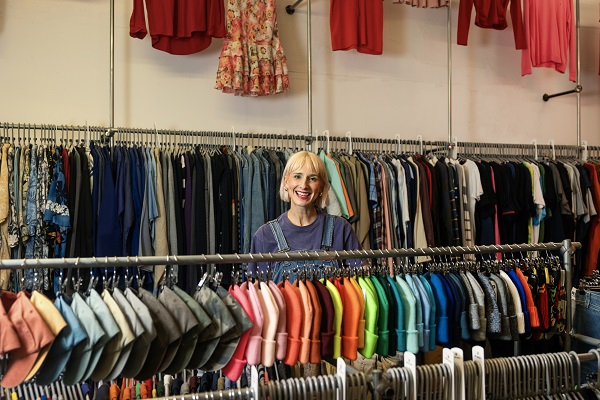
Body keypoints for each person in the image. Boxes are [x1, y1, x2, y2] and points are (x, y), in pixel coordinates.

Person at [247, 151, 362, 283]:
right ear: (286, 181)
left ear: (321, 187)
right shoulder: (265, 235)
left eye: (312, 178)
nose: (304, 185)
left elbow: (361, 283)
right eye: (297, 176)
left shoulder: (340, 228)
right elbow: (257, 295)